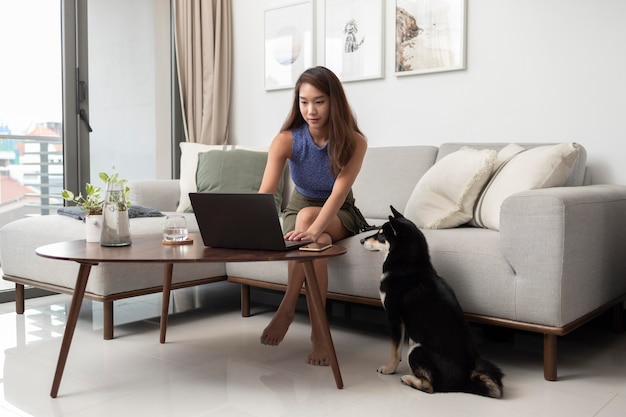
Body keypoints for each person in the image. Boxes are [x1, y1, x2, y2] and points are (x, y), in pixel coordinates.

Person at [258, 66, 370, 366]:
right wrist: (250, 228)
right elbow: (267, 193)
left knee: (310, 223)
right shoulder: (286, 139)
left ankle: (287, 307)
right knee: (314, 237)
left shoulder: (355, 141)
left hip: (341, 211)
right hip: (299, 208)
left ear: (334, 101)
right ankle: (320, 331)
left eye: (319, 101)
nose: (311, 110)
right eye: (304, 101)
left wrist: (309, 229)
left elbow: (338, 195)